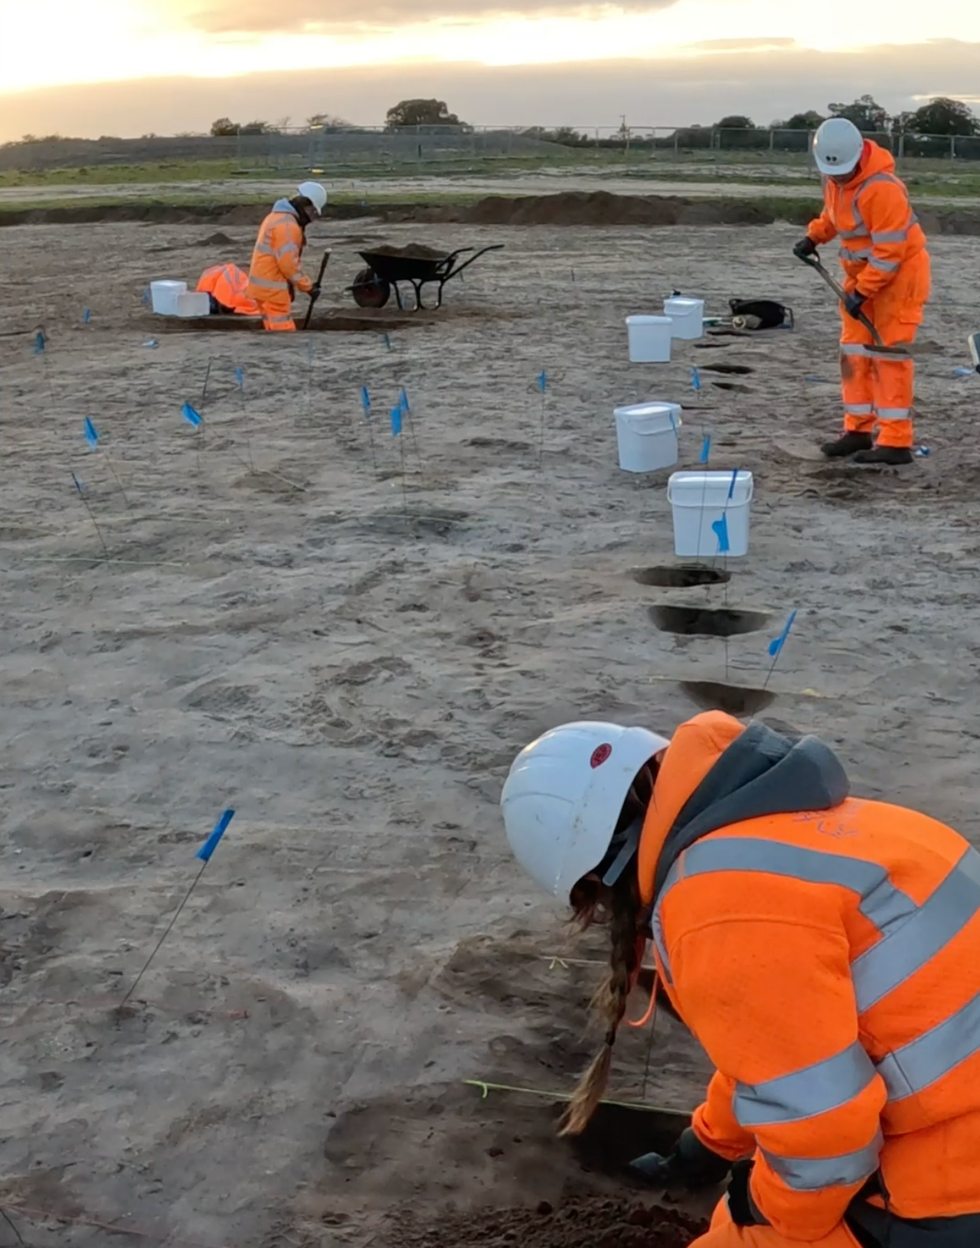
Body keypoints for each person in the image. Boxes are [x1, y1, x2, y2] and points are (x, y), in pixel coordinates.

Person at [501, 711, 980, 1247]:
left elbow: (827, 1135)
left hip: (954, 1182)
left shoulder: (713, 904)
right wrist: (708, 1145)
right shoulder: (826, 830)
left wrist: (767, 1209)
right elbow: (788, 1046)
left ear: (595, 880)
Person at [793, 118, 930, 467]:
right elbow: (834, 215)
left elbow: (890, 253)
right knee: (853, 353)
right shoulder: (837, 178)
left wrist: (864, 291)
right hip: (863, 279)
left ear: (857, 157)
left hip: (898, 279)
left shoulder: (883, 189)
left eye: (841, 173)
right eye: (831, 174)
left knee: (888, 355)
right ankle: (857, 431)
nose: (836, 179)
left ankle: (896, 442)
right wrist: (814, 237)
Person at [247, 181, 327, 332]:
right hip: (273, 292)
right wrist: (308, 287)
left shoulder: (276, 217)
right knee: (284, 337)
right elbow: (288, 264)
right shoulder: (288, 226)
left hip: (263, 289)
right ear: (306, 205)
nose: (312, 218)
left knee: (272, 335)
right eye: (313, 212)